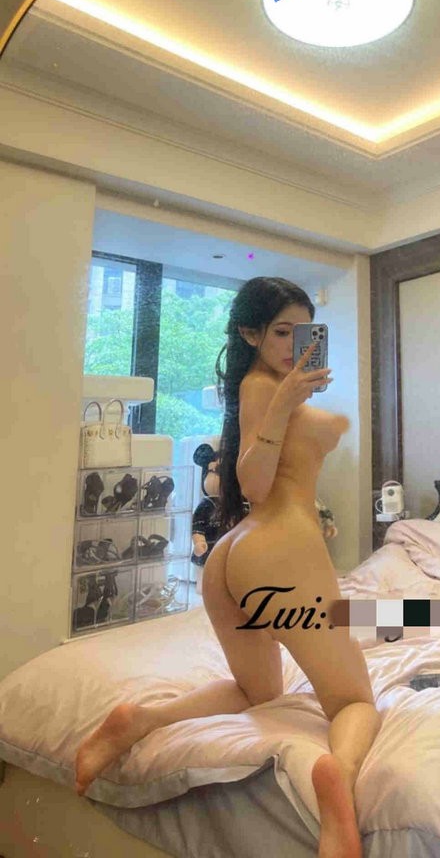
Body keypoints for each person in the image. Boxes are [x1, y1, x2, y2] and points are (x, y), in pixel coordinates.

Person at [74, 277, 381, 858]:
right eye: (282, 332)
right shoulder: (265, 389)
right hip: (279, 550)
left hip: (233, 558)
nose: (294, 345)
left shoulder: (261, 390)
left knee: (255, 690)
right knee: (353, 702)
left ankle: (141, 719)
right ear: (250, 333)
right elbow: (255, 484)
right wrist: (290, 401)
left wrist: (298, 402)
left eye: (304, 332)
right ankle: (336, 779)